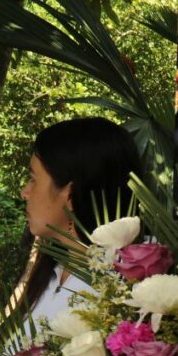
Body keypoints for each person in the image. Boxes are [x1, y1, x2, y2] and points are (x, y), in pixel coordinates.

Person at [18, 118, 142, 323]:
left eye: (33, 179)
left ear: (69, 195)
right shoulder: (53, 271)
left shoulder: (119, 290)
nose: (25, 192)